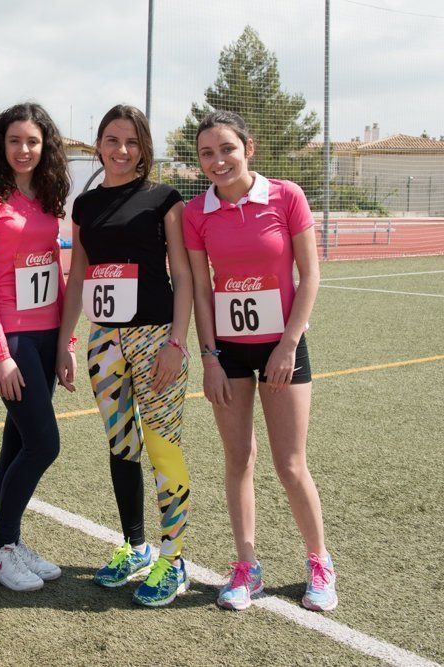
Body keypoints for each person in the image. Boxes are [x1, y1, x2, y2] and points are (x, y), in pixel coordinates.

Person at [183, 110, 336, 612]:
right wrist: (208, 356)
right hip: (227, 351)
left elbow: (309, 276)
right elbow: (203, 293)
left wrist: (289, 345)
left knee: (290, 465)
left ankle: (319, 562)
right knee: (238, 459)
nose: (217, 160)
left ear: (248, 148)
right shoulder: (196, 213)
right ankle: (246, 567)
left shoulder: (286, 196)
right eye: (207, 153)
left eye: (226, 148)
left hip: (282, 349)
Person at [56, 104, 193, 606]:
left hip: (156, 338)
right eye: (112, 140)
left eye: (132, 141)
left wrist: (177, 342)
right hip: (103, 341)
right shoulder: (86, 205)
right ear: (98, 145)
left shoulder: (165, 199)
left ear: (144, 147)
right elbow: (78, 279)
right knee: (121, 445)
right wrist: (67, 342)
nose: (121, 150)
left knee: (162, 447)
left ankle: (173, 560)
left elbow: (184, 275)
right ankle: (135, 546)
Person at [0, 102, 68, 591]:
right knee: (45, 443)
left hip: (48, 336)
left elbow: (56, 270)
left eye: (32, 141)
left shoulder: (49, 197)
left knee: (20, 439)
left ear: (44, 145)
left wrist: (66, 340)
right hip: (12, 337)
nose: (24, 150)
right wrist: (1, 353)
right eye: (14, 141)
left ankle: (5, 542)